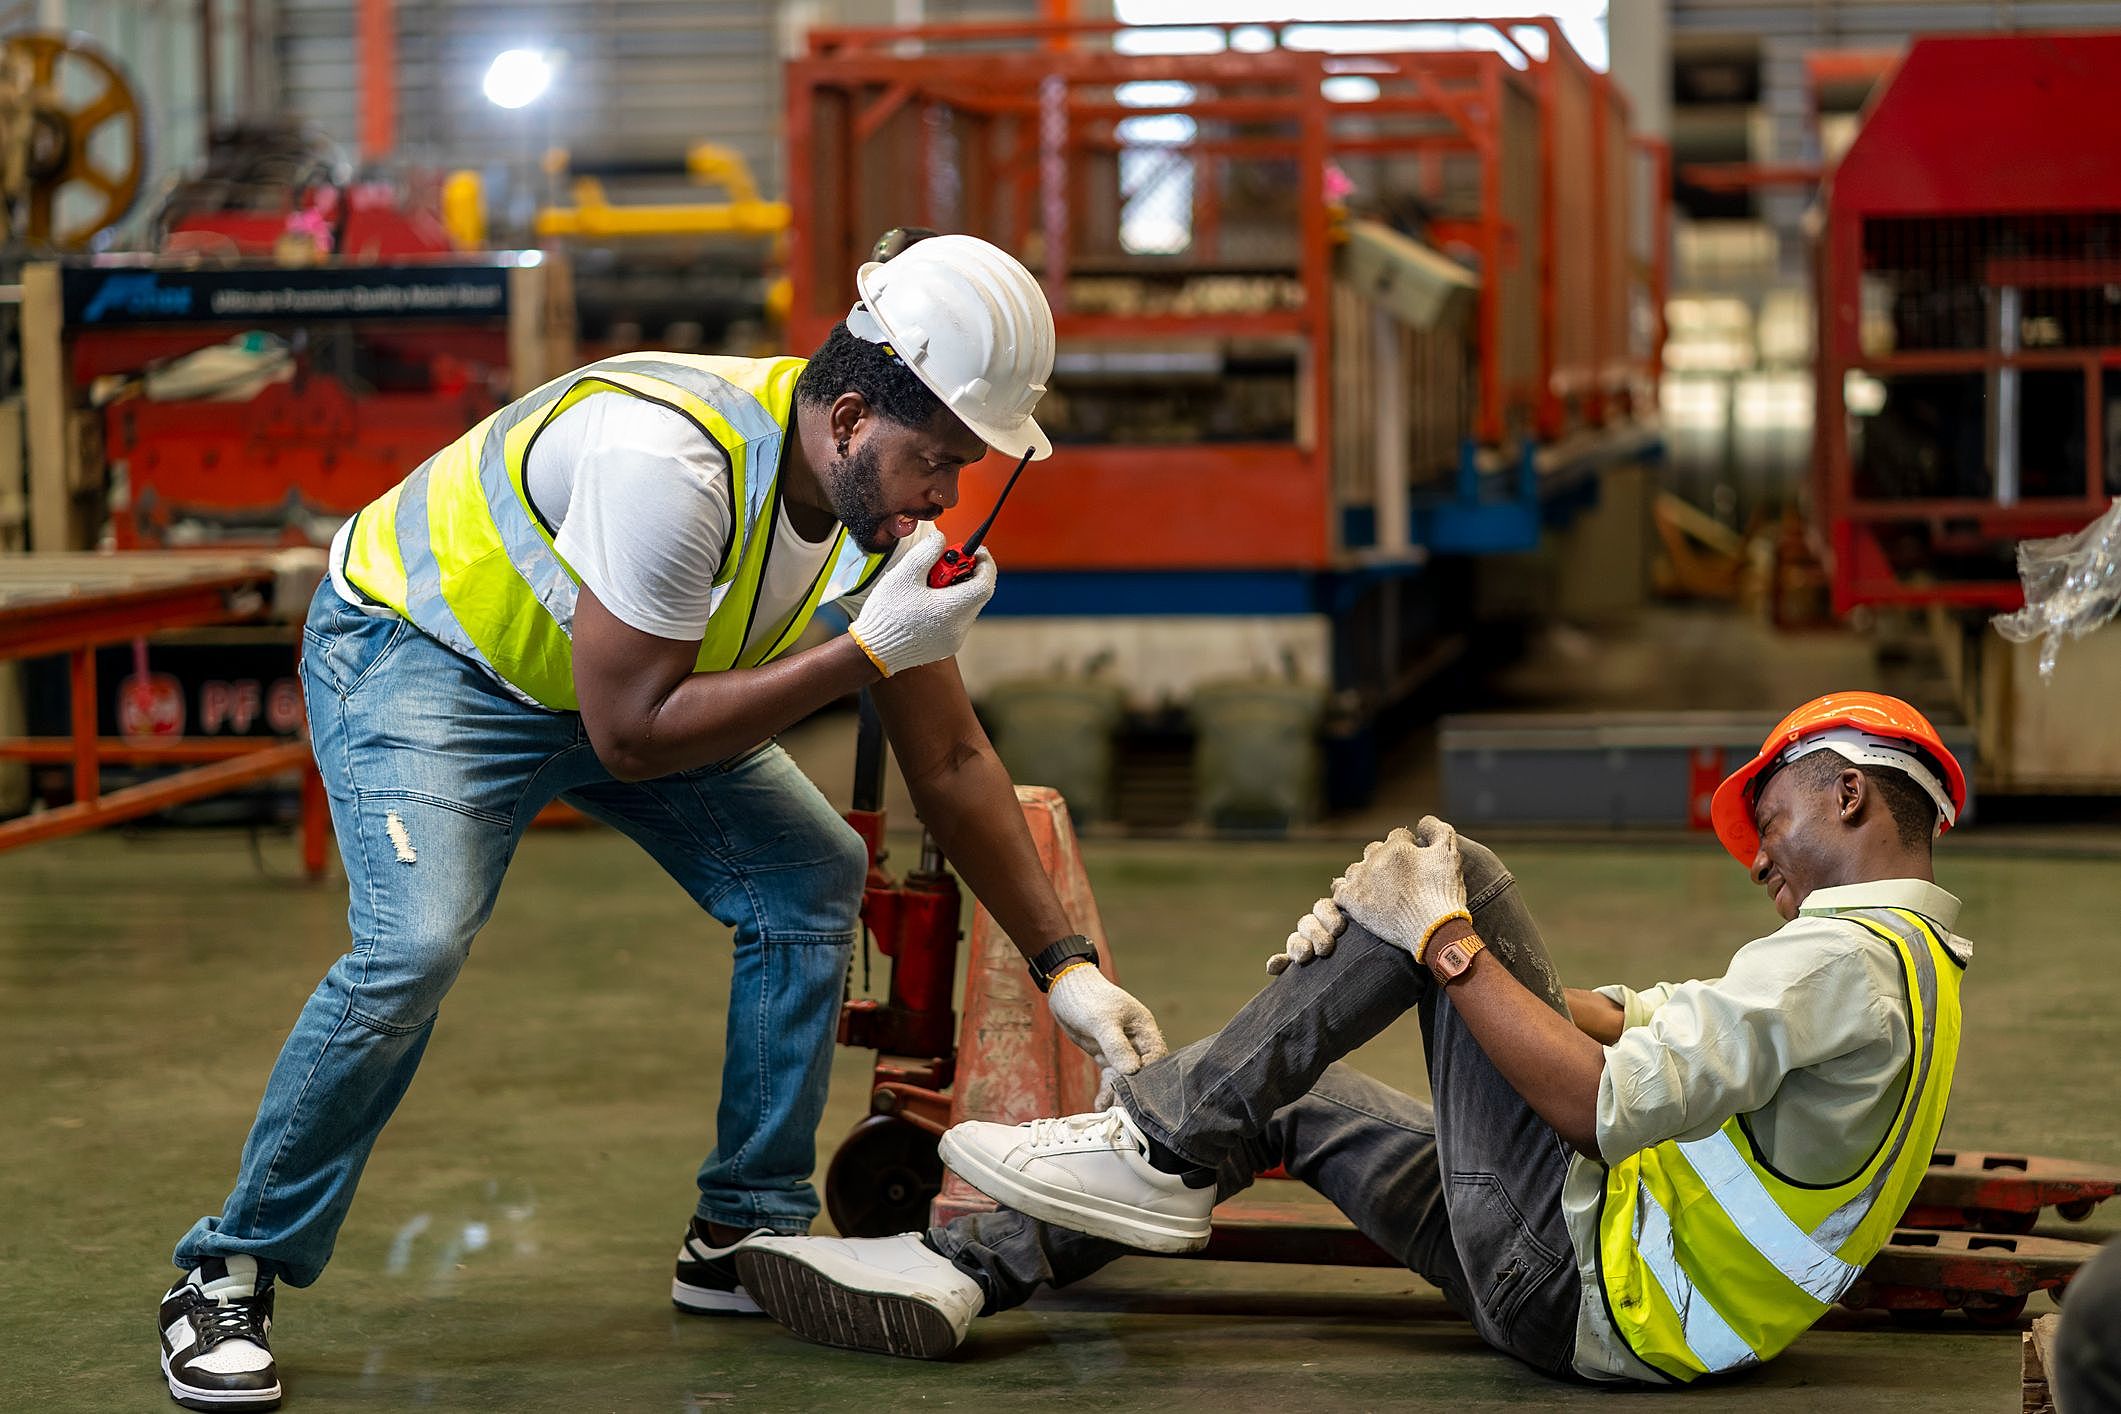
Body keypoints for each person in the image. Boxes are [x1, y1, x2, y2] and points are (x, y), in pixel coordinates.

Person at [153, 233, 1171, 1413]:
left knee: (809, 875)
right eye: (935, 461)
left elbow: (948, 754)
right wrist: (860, 651)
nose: (944, 496)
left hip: (612, 685)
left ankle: (741, 1232)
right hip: (426, 657)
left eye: (964, 466)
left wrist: (1068, 970)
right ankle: (227, 1269)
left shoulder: (867, 510)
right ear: (848, 418)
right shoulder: (673, 462)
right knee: (413, 946)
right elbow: (633, 735)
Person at [734, 692, 1972, 1385]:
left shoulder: (1837, 962)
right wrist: (1405, 935)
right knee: (1301, 1078)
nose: (1758, 855)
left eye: (1768, 818)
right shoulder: (1901, 969)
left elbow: (1593, 1103)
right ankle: (969, 1270)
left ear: (1848, 791)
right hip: (1616, 1286)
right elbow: (1642, 1018)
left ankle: (1152, 1139)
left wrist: (1439, 937)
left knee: (1461, 875)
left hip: (1588, 1285)